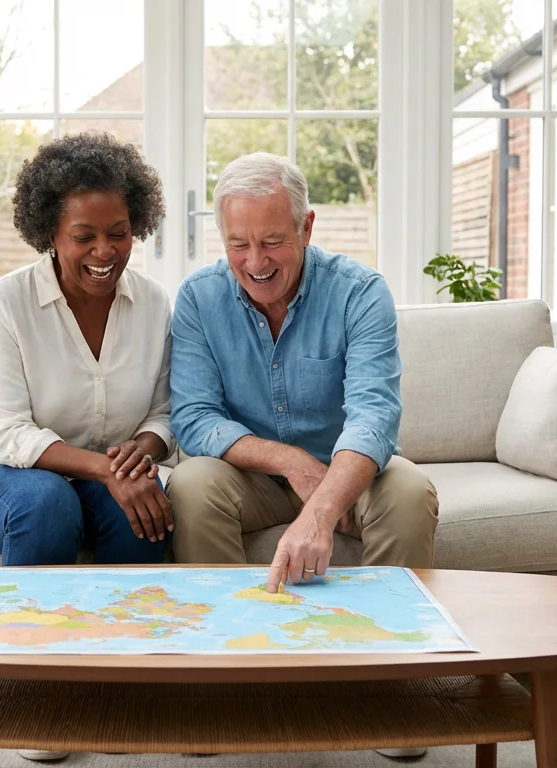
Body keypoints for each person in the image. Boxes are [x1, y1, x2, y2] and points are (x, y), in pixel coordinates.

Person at [168, 151, 439, 592]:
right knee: (191, 484)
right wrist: (289, 460)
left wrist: (322, 508)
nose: (256, 263)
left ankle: (392, 654)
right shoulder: (199, 299)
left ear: (306, 227)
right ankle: (226, 649)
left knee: (409, 493)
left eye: (272, 241)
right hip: (249, 478)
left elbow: (374, 418)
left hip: (347, 471)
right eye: (239, 244)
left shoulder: (360, 293)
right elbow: (196, 417)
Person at [0, 132, 175, 571]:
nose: (104, 251)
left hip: (99, 477)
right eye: (84, 236)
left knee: (146, 511)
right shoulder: (6, 301)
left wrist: (136, 459)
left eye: (119, 233)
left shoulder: (154, 302)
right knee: (48, 503)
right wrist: (108, 471)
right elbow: (9, 433)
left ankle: (124, 636)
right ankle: (29, 638)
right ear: (50, 231)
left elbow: (162, 415)